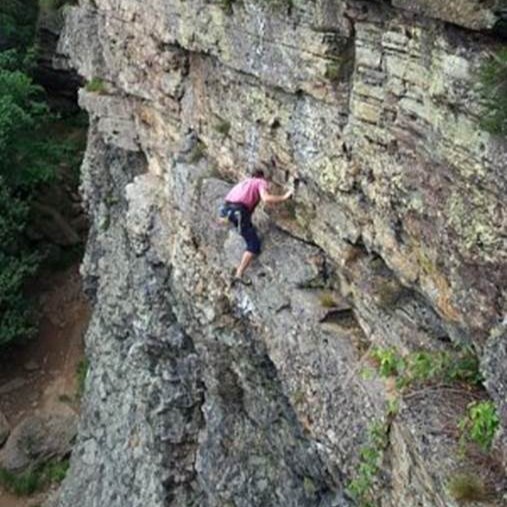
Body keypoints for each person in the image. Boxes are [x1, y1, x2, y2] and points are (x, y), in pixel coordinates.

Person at [220, 169, 293, 284]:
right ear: (262, 177)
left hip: (227, 209)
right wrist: (284, 197)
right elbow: (266, 198)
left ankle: (231, 221)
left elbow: (228, 199)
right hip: (239, 211)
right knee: (253, 245)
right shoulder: (260, 182)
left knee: (246, 228)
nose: (267, 186)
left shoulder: (243, 183)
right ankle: (239, 274)